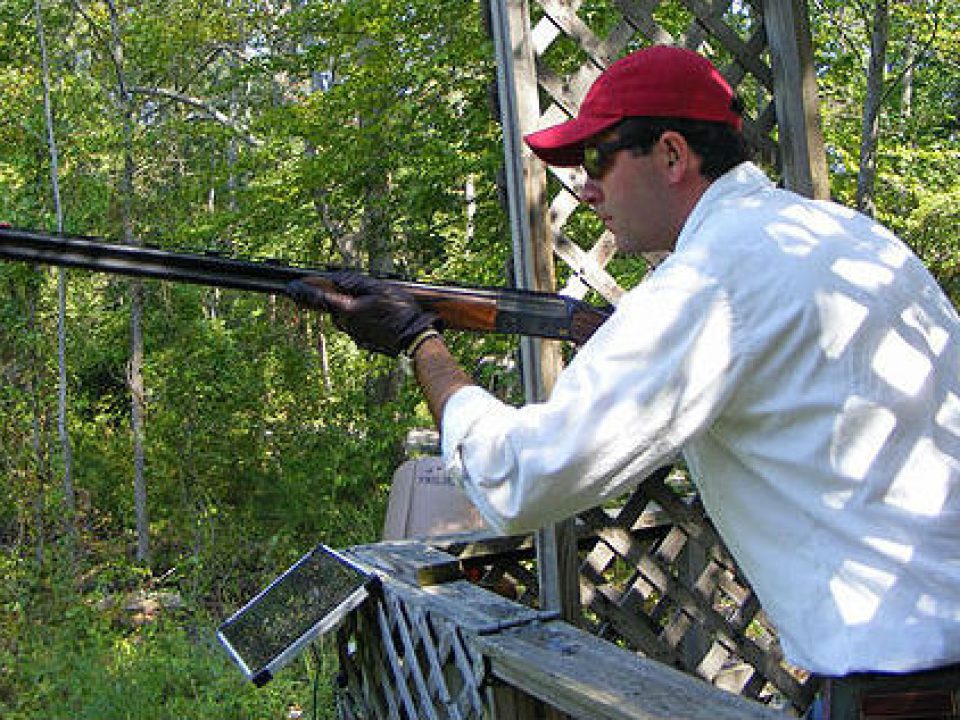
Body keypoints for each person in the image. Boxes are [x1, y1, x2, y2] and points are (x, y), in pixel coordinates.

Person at [287, 45, 960, 717]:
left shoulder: (710, 279)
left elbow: (519, 478)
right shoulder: (841, 235)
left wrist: (418, 341)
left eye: (597, 159)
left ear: (672, 155)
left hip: (901, 695)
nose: (585, 188)